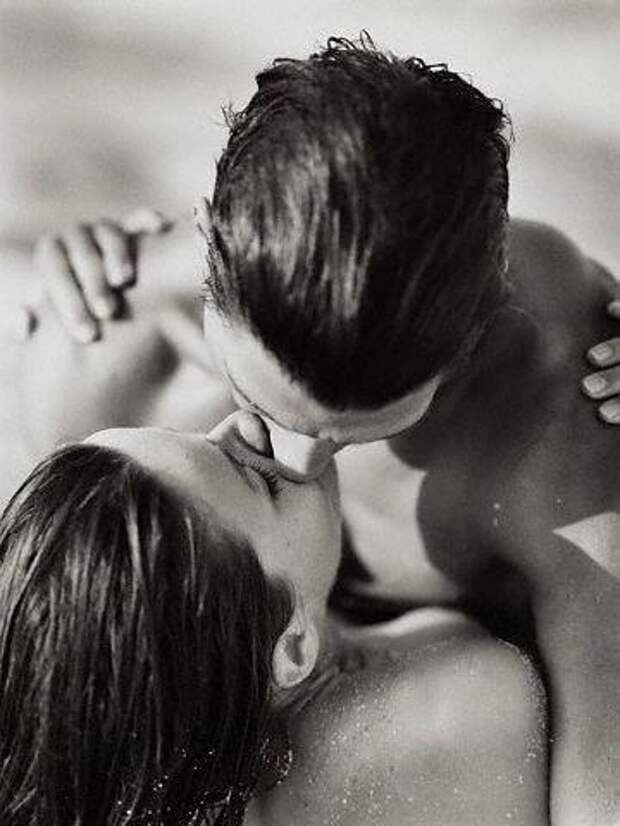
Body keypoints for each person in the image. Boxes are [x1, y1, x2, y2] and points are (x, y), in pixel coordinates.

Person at [12, 36, 620, 824]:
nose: (299, 457)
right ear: (208, 244)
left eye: (360, 426)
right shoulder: (104, 360)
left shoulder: (562, 408)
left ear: (478, 330)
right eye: (258, 395)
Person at [0, 405, 548, 825]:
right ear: (293, 649)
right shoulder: (450, 711)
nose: (240, 421)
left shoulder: (183, 755)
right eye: (260, 481)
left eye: (188, 435)